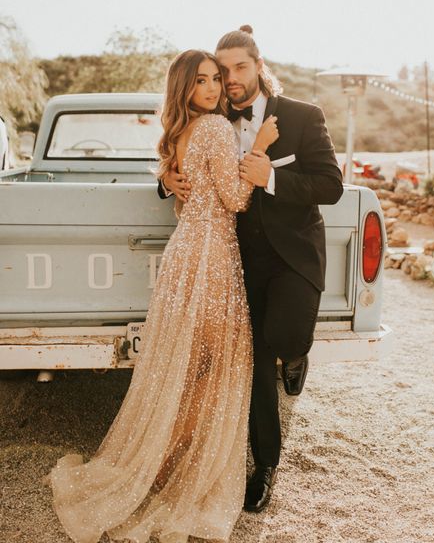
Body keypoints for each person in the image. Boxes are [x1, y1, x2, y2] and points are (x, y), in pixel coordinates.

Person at [45, 49, 279, 543]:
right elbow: (236, 199)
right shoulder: (215, 129)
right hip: (212, 260)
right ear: (184, 88)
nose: (212, 89)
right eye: (201, 81)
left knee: (185, 371)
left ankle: (159, 465)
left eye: (215, 79)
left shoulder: (179, 132)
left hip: (184, 256)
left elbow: (181, 182)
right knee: (209, 371)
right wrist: (259, 147)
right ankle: (172, 470)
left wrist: (167, 176)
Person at [160, 26, 344, 513]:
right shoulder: (214, 116)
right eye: (222, 71)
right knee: (257, 366)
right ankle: (264, 466)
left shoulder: (303, 116)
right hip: (238, 261)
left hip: (293, 255)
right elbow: (184, 148)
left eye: (239, 67)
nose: (230, 79)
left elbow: (330, 185)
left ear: (259, 67)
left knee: (284, 337)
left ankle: (296, 355)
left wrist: (272, 177)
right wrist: (167, 178)